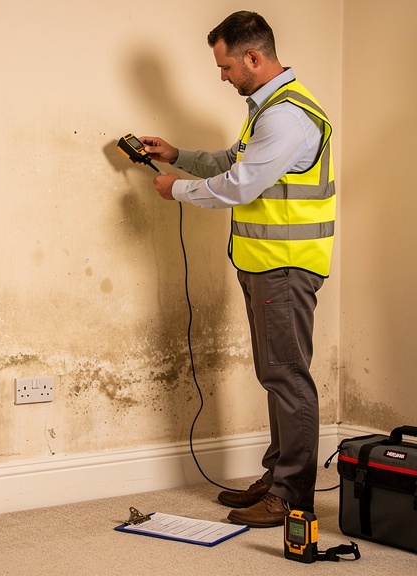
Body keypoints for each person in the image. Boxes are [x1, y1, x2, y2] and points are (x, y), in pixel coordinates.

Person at [138, 10, 335, 528]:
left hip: (285, 268)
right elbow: (234, 162)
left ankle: (292, 495)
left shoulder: (286, 116)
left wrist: (177, 189)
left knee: (287, 377)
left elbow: (241, 186)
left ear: (252, 57)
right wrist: (178, 155)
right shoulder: (267, 111)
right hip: (265, 265)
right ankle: (278, 476)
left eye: (226, 67)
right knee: (276, 375)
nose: (223, 77)